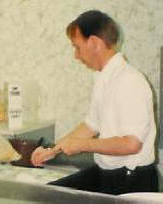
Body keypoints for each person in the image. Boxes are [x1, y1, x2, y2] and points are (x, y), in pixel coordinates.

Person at [31, 10, 158, 195]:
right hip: (107, 173)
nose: (76, 55)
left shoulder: (130, 81)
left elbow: (131, 144)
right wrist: (53, 149)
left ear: (94, 43)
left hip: (132, 181)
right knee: (50, 193)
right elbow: (91, 125)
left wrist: (81, 145)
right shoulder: (103, 78)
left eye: (77, 47)